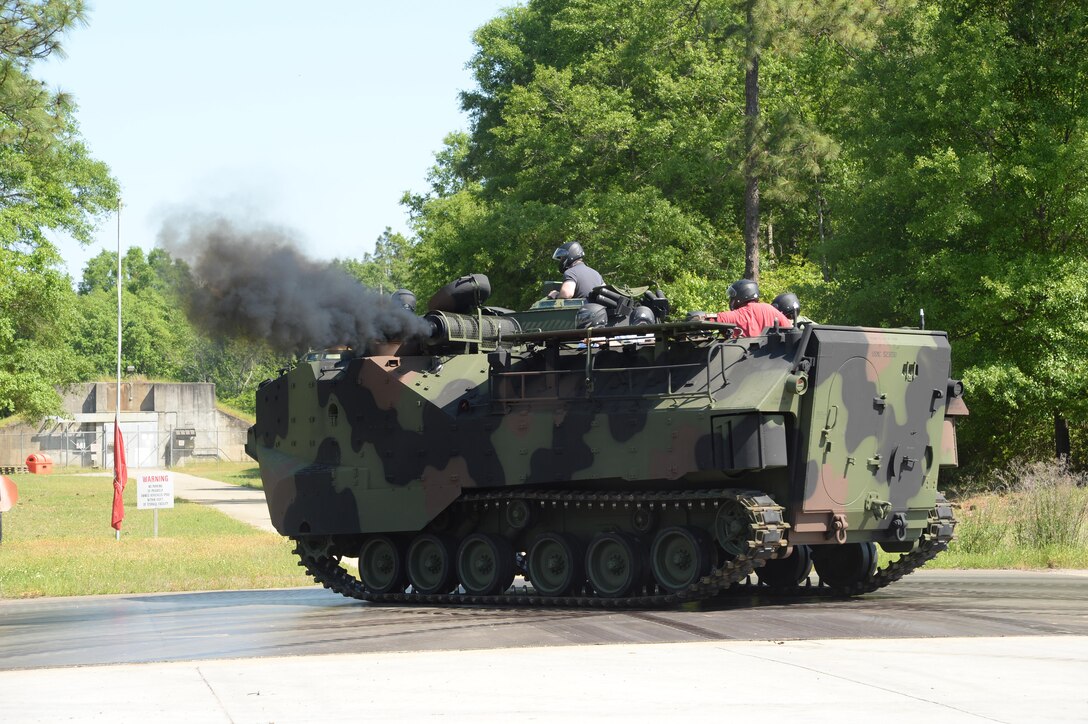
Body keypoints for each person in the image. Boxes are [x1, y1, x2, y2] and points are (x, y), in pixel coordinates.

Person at [713, 278, 792, 337]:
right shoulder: (771, 309)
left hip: (744, 356)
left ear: (741, 294)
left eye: (732, 296)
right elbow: (789, 330)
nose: (731, 300)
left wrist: (702, 316)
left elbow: (715, 319)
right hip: (770, 356)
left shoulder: (740, 314)